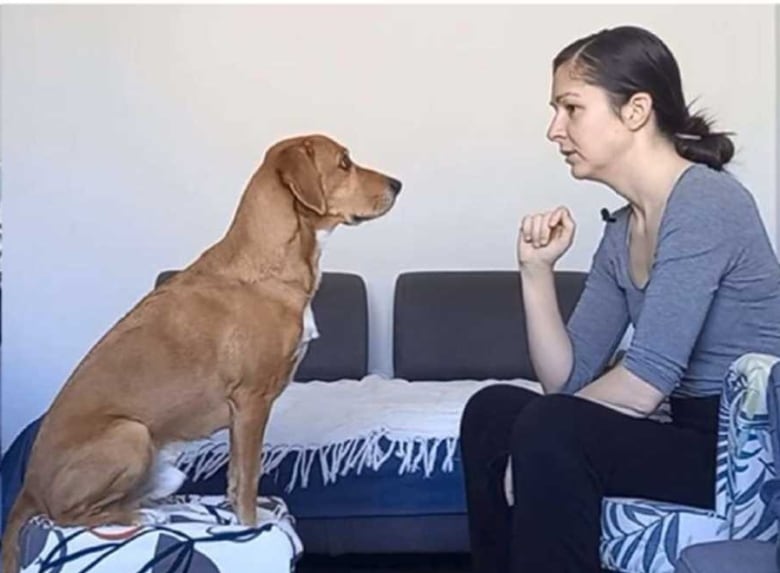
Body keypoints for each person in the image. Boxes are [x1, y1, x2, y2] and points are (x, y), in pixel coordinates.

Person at [459, 25, 780, 573]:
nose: (553, 129)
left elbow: (643, 385)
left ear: (635, 111)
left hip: (744, 455)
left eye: (571, 108)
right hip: (683, 434)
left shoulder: (706, 201)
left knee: (547, 426)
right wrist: (534, 272)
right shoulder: (622, 228)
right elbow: (567, 381)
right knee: (493, 410)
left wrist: (535, 437)